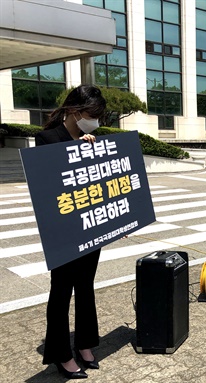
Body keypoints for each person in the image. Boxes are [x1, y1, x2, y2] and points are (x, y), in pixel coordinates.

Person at [36, 85, 106, 379]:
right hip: (63, 231)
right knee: (61, 291)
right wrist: (77, 150)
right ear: (75, 112)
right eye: (92, 115)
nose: (95, 122)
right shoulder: (47, 138)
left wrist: (116, 220)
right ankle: (61, 354)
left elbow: (103, 183)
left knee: (86, 287)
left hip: (89, 227)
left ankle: (86, 343)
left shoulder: (93, 140)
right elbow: (47, 183)